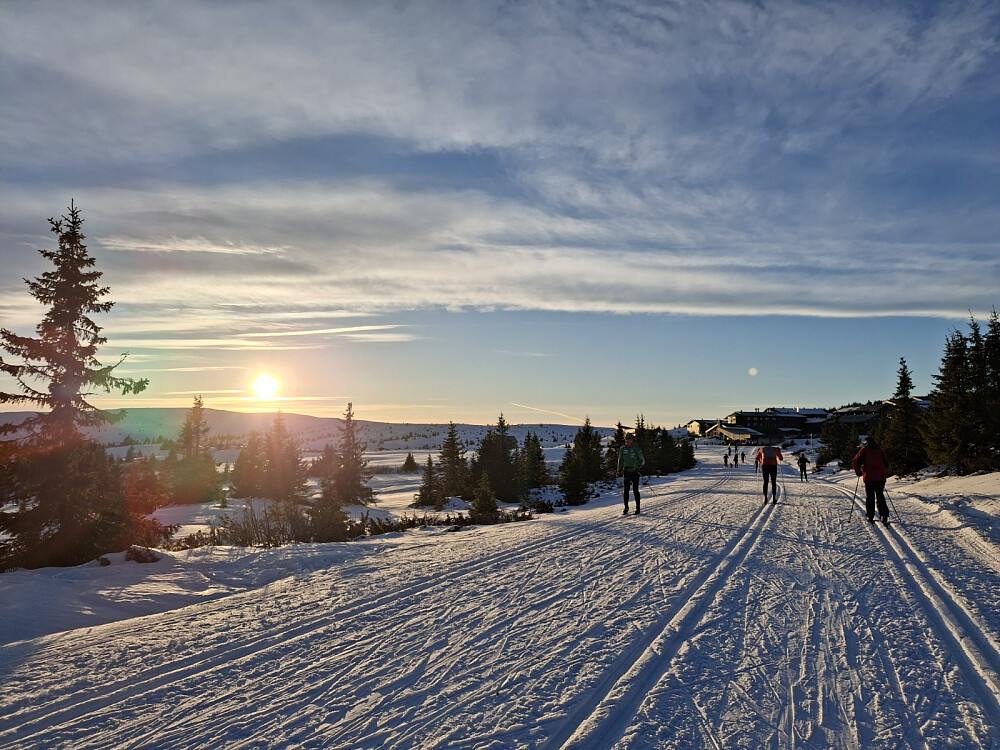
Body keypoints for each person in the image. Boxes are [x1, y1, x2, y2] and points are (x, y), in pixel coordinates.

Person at [853, 436, 890, 524]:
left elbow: (855, 461)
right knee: (880, 495)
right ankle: (884, 515)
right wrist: (882, 472)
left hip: (869, 477)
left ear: (867, 442)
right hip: (880, 477)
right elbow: (886, 464)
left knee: (870, 496)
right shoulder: (879, 449)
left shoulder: (864, 450)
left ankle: (870, 516)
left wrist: (858, 472)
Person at [617, 433, 645, 515]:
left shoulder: (636, 448)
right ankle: (626, 507)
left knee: (635, 490)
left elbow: (642, 460)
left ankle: (638, 507)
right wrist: (619, 470)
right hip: (626, 471)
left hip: (635, 471)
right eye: (626, 440)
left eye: (629, 440)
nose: (627, 441)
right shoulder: (622, 448)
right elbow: (620, 460)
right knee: (626, 490)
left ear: (632, 440)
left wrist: (638, 466)